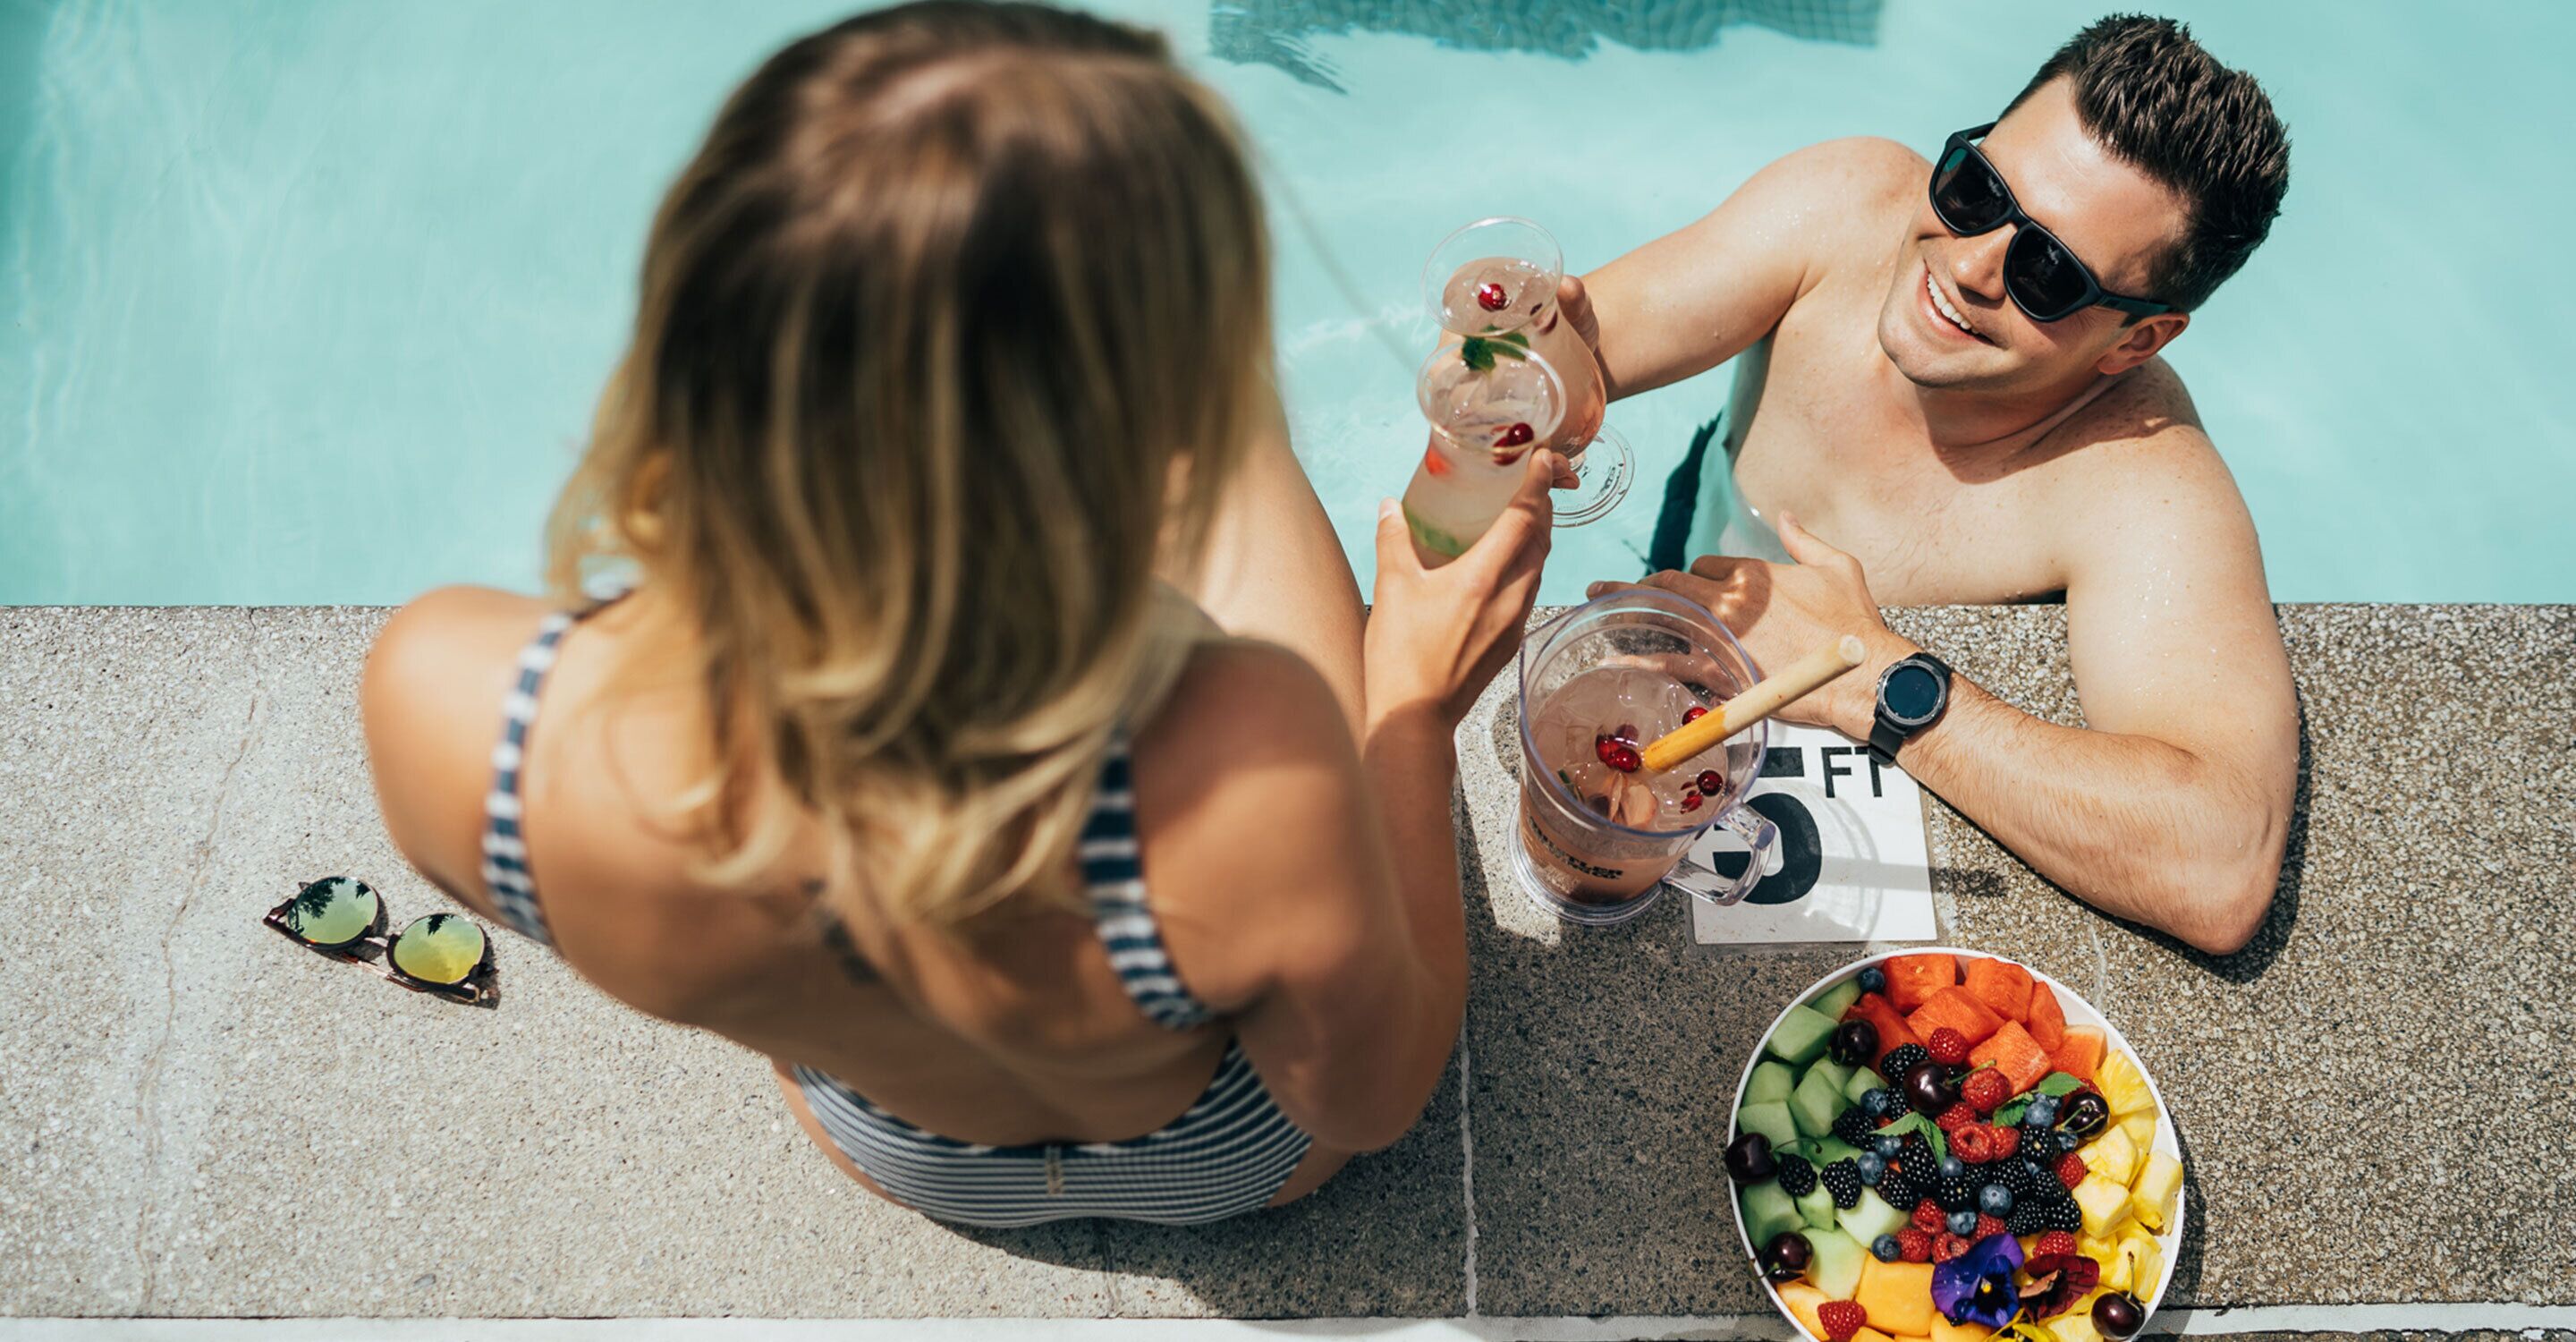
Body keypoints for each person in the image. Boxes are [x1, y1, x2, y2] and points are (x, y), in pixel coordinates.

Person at [360, 0, 1557, 1227]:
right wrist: (1408, 706)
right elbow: (1369, 1107)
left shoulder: (459, 715)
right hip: (1227, 1162)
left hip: (896, 1142)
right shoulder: (1248, 755)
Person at [1566, 15, 2297, 954]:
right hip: (1691, 538)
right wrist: (1520, 379)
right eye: (1977, 188)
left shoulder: (2142, 486)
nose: (1967, 262)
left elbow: (2218, 862)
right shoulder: (1844, 210)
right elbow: (1577, 347)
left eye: (2048, 272)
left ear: (2136, 340)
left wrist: (1871, 676)